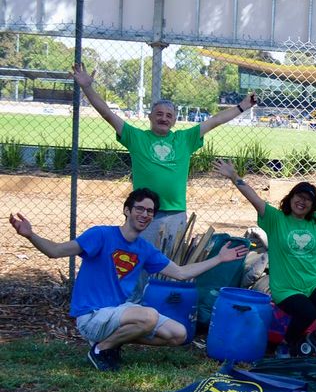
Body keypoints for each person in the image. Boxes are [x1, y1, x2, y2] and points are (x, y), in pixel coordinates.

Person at [9, 189, 247, 371]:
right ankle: (101, 350)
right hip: (92, 315)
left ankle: (113, 343)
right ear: (127, 210)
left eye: (150, 212)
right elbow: (56, 251)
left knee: (179, 334)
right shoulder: (101, 235)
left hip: (120, 312)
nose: (145, 215)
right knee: (149, 316)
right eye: (140, 209)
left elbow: (182, 273)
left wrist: (220, 259)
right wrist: (30, 235)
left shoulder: (145, 249)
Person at [72, 64, 258, 252]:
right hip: (144, 212)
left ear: (174, 120)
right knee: (139, 259)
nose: (164, 118)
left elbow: (216, 120)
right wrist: (87, 87)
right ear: (150, 116)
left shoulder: (185, 139)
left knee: (170, 264)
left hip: (175, 214)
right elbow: (107, 114)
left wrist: (243, 106)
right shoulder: (136, 137)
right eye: (159, 114)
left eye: (169, 115)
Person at [214, 160, 316, 358]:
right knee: (307, 312)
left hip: (313, 282)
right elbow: (253, 198)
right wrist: (234, 177)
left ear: (312, 205)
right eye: (299, 196)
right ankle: (286, 344)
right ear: (290, 198)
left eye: (308, 199)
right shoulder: (275, 219)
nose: (302, 201)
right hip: (285, 287)